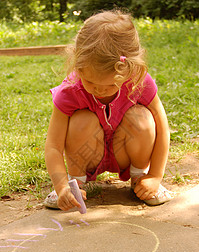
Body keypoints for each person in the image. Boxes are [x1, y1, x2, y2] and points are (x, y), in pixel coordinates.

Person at [44, 10, 171, 211]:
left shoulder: (139, 82)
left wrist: (155, 175)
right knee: (80, 120)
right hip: (88, 156)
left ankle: (140, 178)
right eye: (90, 81)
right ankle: (75, 185)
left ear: (129, 69)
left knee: (142, 118)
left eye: (111, 85)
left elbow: (162, 128)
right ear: (78, 66)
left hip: (126, 153)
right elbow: (53, 145)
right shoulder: (70, 91)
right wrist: (60, 186)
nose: (99, 90)